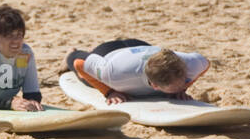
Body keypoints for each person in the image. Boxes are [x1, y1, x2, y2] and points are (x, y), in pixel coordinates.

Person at [65, 39, 209, 103]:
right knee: (87, 79)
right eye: (176, 87)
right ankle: (72, 51)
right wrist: (109, 92)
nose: (184, 85)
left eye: (184, 81)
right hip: (110, 52)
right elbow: (79, 63)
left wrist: (181, 90)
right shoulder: (114, 75)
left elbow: (206, 63)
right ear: (155, 86)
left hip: (140, 44)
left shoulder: (190, 63)